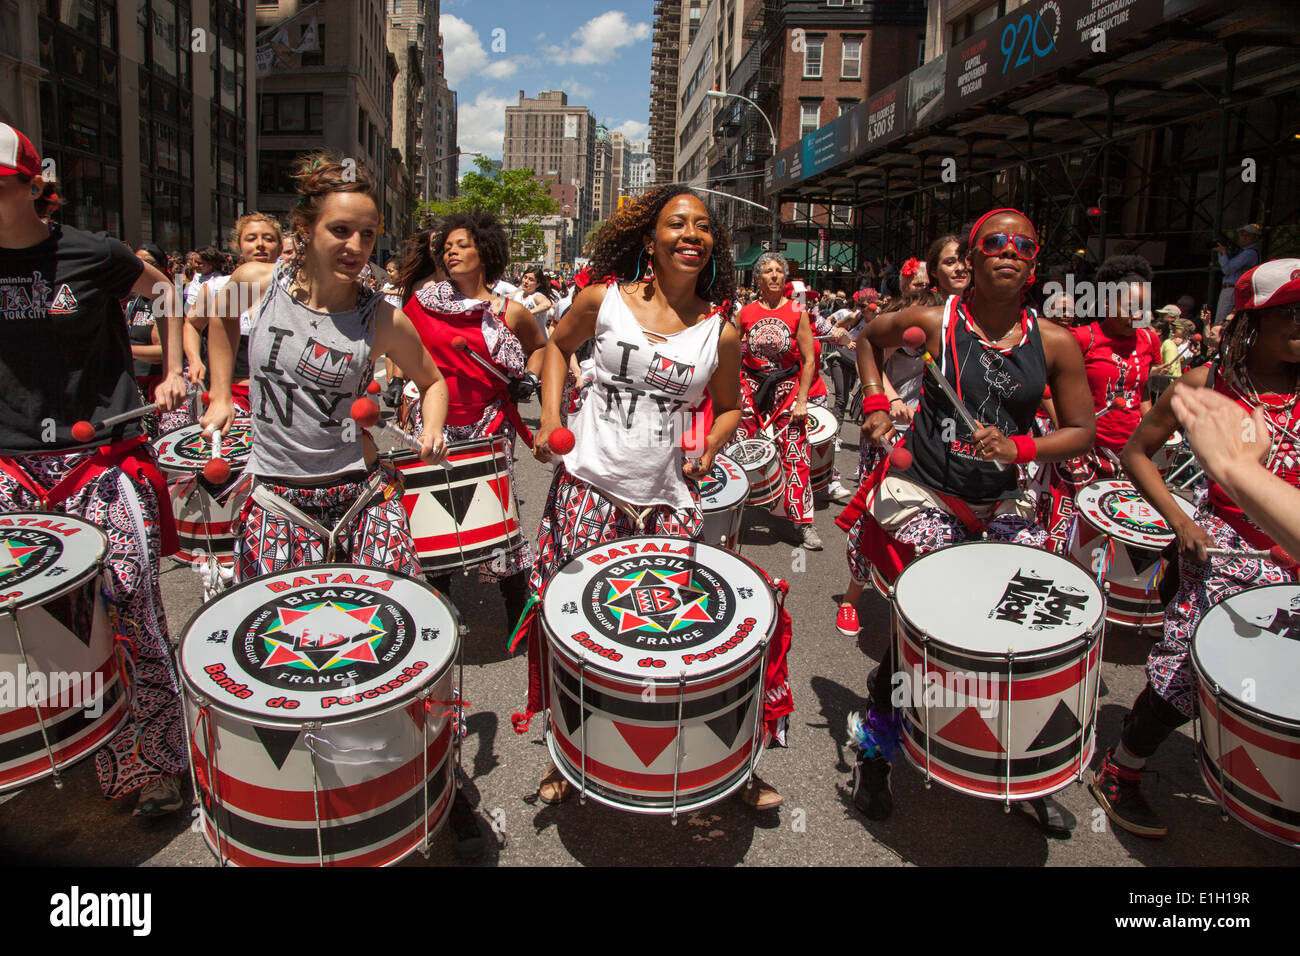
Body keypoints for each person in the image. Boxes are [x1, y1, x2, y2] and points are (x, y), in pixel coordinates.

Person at [514, 186, 794, 809]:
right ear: (651, 239)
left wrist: (711, 448)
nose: (691, 235)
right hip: (589, 489)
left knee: (671, 639)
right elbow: (556, 346)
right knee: (572, 630)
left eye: (702, 227)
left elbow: (728, 410)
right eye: (676, 224)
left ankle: (713, 761)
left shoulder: (718, 332)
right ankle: (568, 750)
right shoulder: (602, 300)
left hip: (666, 501)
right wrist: (549, 414)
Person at [836, 208, 1095, 834]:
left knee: (1022, 632)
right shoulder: (934, 321)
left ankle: (1023, 776)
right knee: (928, 626)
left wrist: (1021, 449)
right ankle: (875, 756)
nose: (1009, 252)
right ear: (972, 259)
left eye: (1023, 246)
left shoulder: (1055, 342)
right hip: (925, 492)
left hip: (1004, 498)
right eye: (995, 243)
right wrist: (875, 401)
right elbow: (871, 336)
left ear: (1034, 264)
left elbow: (1082, 433)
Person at [0, 122, 191, 817]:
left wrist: (173, 370)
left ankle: (156, 763)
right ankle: (46, 746)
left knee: (129, 597)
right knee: (23, 622)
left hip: (97, 459)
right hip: (9, 466)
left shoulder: (93, 254)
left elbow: (166, 290)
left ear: (31, 187)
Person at [1090, 259, 1300, 838]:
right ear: (1249, 321)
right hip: (1230, 558)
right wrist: (1182, 522)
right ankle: (1119, 770)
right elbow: (1137, 453)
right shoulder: (1204, 385)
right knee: (1187, 674)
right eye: (1292, 313)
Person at [200, 151, 449, 583]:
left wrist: (432, 429)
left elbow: (433, 382)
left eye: (367, 235)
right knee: (281, 640)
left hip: (361, 489)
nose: (355, 247)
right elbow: (219, 323)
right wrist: (221, 393)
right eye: (340, 230)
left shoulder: (384, 319)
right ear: (305, 228)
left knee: (383, 631)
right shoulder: (257, 283)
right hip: (276, 493)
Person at [398, 211, 547, 630]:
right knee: (430, 510)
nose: (452, 252)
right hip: (434, 420)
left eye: (462, 245)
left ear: (485, 252)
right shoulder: (421, 303)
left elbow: (540, 347)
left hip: (489, 422)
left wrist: (530, 379)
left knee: (495, 511)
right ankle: (436, 610)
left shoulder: (510, 311)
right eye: (447, 247)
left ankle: (517, 611)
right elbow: (400, 347)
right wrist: (397, 383)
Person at [834, 234, 969, 637]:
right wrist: (885, 401)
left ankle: (923, 604)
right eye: (947, 263)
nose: (959, 268)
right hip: (897, 434)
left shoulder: (982, 321)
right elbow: (868, 348)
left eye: (964, 260)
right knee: (877, 516)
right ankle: (852, 597)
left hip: (951, 442)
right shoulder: (913, 315)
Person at [1037, 254, 1162, 553]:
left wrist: (1151, 436)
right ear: (1106, 303)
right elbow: (1044, 387)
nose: (1137, 313)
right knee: (1068, 529)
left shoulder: (1149, 341)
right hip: (1082, 451)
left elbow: (1141, 390)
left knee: (1116, 533)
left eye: (1143, 307)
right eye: (1129, 306)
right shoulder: (1081, 339)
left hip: (1128, 455)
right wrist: (1065, 429)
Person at [733, 253, 828, 549]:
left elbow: (810, 359)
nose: (774, 275)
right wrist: (735, 391)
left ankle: (802, 523)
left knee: (796, 450)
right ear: (758, 279)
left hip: (787, 387)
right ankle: (733, 513)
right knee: (736, 447)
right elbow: (733, 352)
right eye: (768, 272)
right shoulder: (745, 313)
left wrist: (801, 400)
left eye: (779, 271)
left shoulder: (798, 310)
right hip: (750, 385)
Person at [1171, 382, 1300, 560]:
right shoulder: (1210, 378)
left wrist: (1242, 469)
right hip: (1230, 552)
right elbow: (1136, 453)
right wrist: (1182, 524)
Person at [186, 213, 281, 413]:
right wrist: (195, 360)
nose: (260, 244)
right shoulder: (216, 287)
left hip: (280, 398)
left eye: (269, 238)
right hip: (232, 396)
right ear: (238, 246)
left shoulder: (296, 290)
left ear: (280, 246)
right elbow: (192, 324)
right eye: (251, 238)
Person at [1212, 224, 1262, 326]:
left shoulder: (1249, 253)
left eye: (1247, 235)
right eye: (1242, 235)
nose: (1243, 238)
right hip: (1231, 289)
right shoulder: (1244, 252)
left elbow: (1227, 269)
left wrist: (1223, 252)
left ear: (1255, 238)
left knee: (1221, 323)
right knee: (1221, 320)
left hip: (1233, 289)